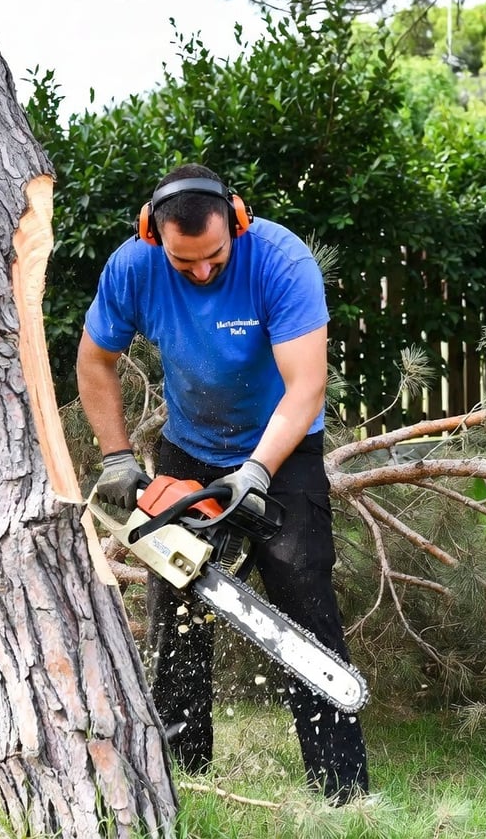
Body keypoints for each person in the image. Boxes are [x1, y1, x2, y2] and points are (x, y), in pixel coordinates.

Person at [75, 163, 369, 805]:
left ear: (237, 222)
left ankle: (341, 789)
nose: (203, 271)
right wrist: (118, 457)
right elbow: (94, 360)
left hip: (283, 446)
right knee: (177, 605)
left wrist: (257, 471)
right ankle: (184, 773)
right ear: (153, 236)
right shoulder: (133, 267)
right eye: (185, 262)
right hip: (190, 448)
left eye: (214, 256)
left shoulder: (280, 262)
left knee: (303, 596)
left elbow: (306, 387)